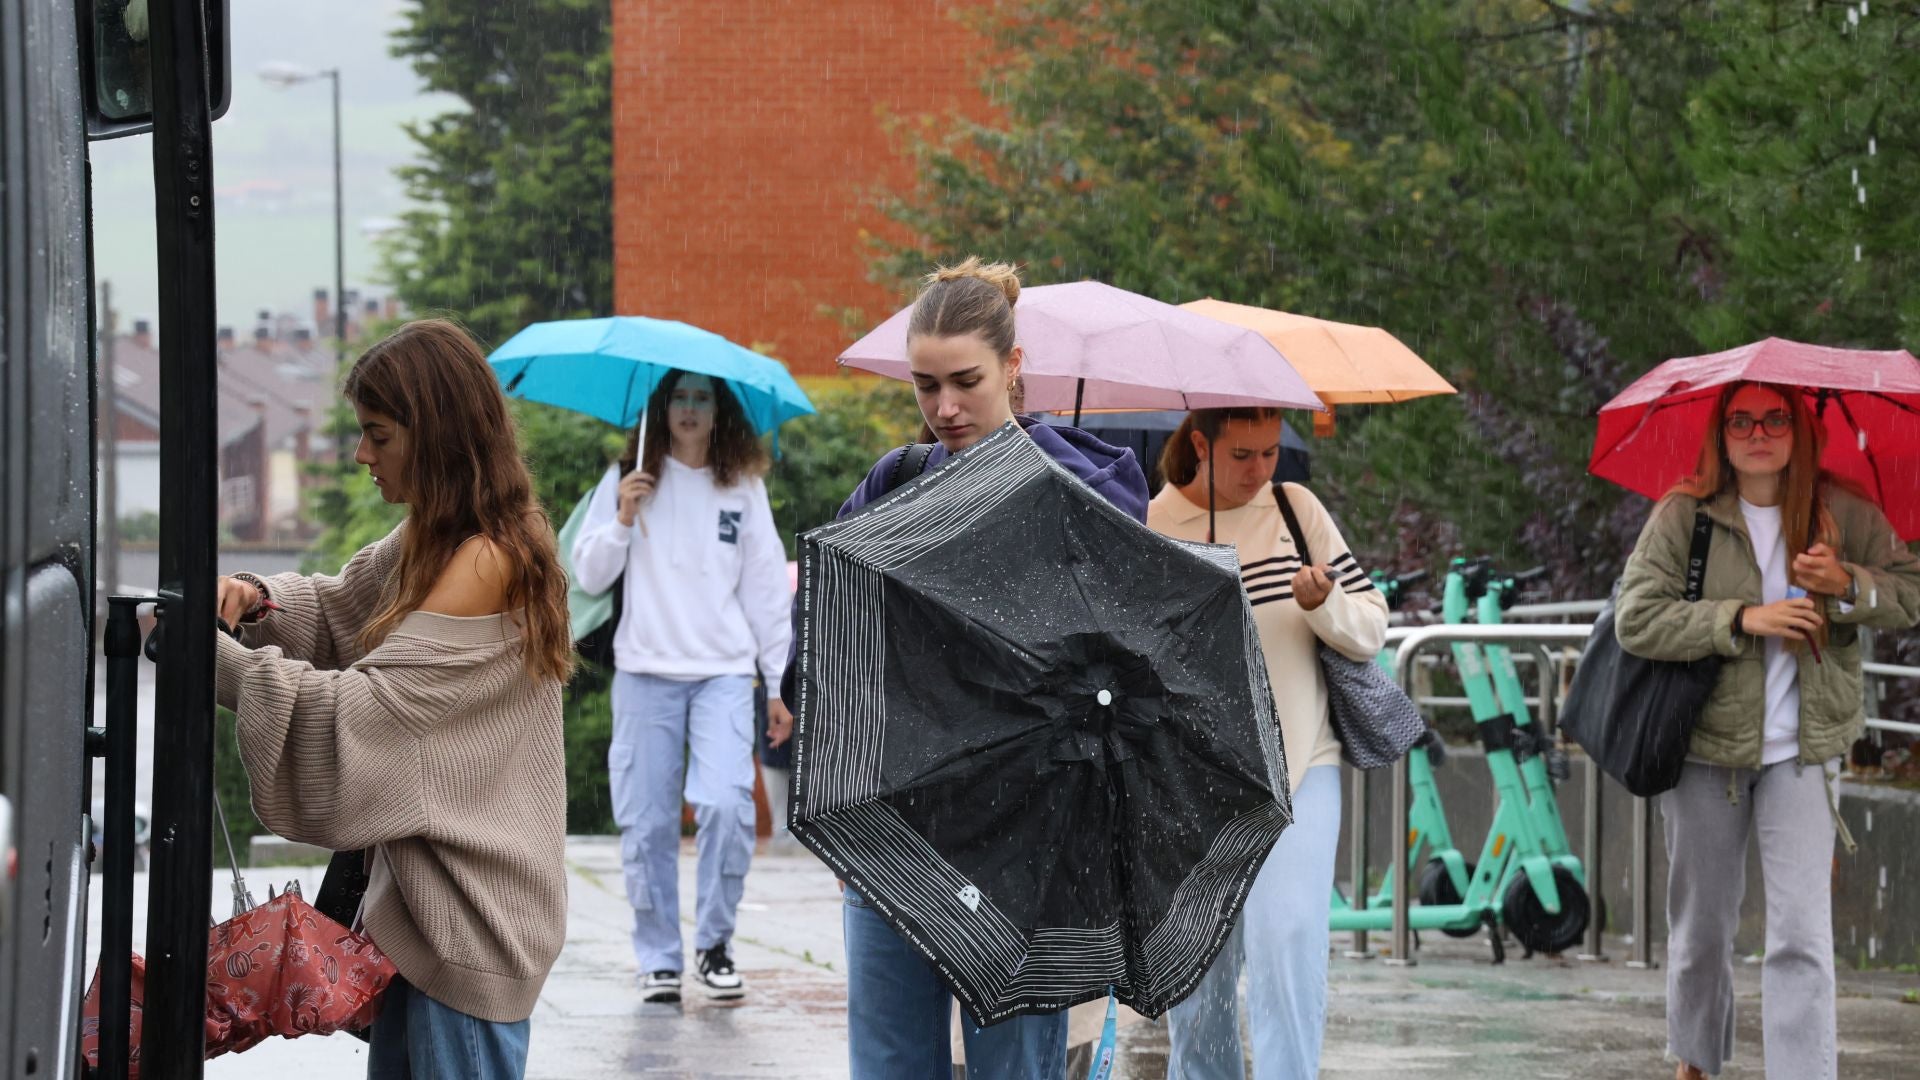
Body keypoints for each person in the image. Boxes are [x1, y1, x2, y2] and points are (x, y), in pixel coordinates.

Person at [783, 257, 1149, 1080]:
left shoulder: (1090, 488)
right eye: (924, 386)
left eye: (965, 381)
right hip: (895, 835)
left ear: (1015, 368)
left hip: (1028, 845)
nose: (944, 408)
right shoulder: (895, 483)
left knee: (1016, 1071)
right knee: (888, 1068)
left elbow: (1118, 665)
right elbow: (821, 640)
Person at [211, 319, 573, 1080]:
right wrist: (256, 599)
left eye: (378, 435)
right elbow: (340, 608)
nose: (361, 455)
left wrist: (212, 664)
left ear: (436, 435)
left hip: (469, 934)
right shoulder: (434, 537)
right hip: (419, 928)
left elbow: (373, 716)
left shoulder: (486, 558)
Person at [1614, 381, 1920, 1080]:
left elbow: (1910, 593)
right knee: (1701, 933)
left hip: (1805, 753)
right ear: (1720, 434)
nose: (1759, 432)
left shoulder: (1842, 509)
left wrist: (1846, 583)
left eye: (1775, 418)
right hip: (1704, 752)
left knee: (1801, 939)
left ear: (1801, 428)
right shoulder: (1683, 515)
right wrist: (1740, 619)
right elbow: (1637, 618)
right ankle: (1694, 1060)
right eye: (1741, 419)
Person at [1145, 407, 1387, 1080]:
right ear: (1200, 443)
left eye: (1270, 452)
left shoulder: (1296, 508)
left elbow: (1370, 627)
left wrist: (1324, 604)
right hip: (1192, 782)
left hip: (1303, 766)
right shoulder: (1147, 524)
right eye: (1243, 454)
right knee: (1198, 969)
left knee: (1289, 940)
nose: (1260, 471)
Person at [571, 369, 793, 1003]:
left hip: (723, 673)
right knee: (645, 825)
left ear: (719, 412)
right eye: (679, 397)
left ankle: (715, 942)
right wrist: (621, 517)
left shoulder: (742, 488)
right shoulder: (627, 479)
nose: (690, 409)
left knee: (726, 805)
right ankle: (659, 957)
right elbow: (587, 572)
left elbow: (765, 592)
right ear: (661, 409)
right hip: (644, 674)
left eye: (702, 398)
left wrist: (779, 685)